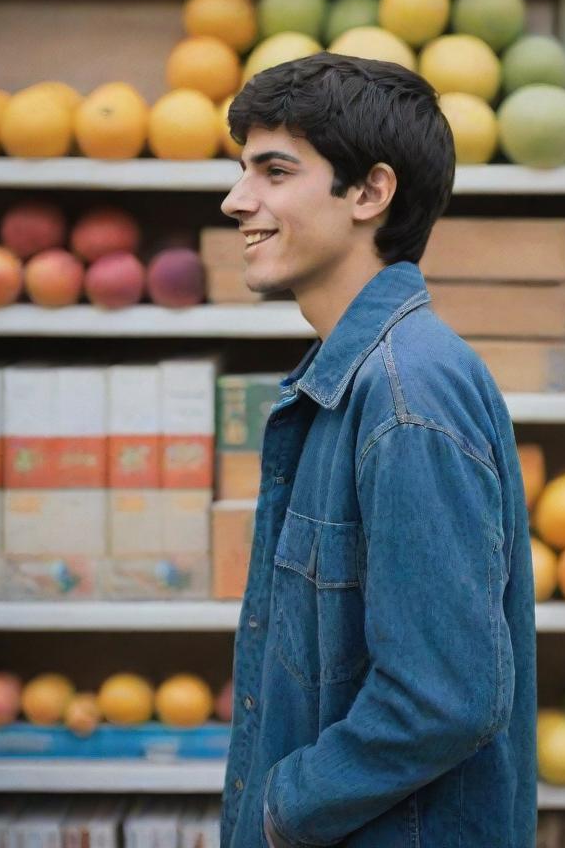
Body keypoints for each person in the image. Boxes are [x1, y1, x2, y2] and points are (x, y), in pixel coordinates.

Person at [219, 52, 537, 848]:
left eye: (274, 171)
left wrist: (279, 808)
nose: (236, 200)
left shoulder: (407, 395)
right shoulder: (359, 382)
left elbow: (444, 697)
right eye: (242, 171)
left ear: (370, 191)